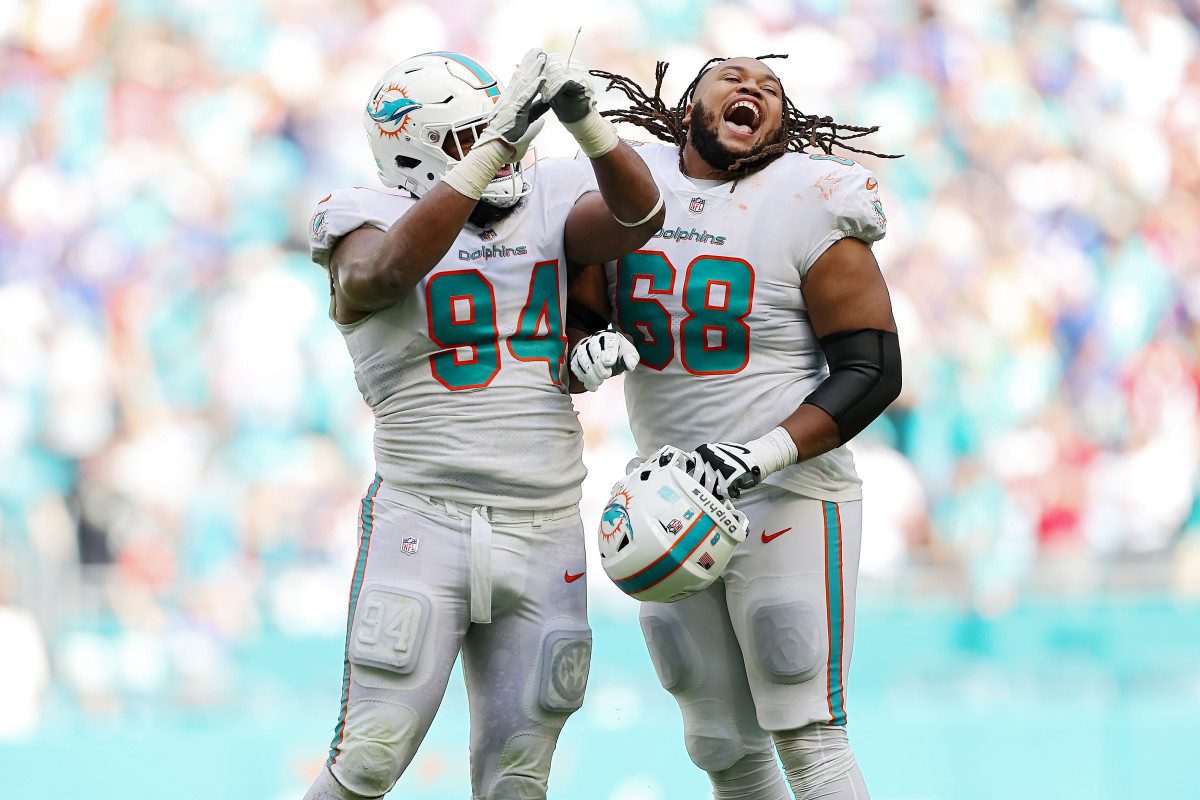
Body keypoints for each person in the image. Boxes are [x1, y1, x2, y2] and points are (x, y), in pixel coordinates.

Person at [302, 49, 665, 800]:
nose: (505, 145)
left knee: (519, 776)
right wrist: (495, 147)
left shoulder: (548, 194)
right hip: (424, 517)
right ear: (414, 150)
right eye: (471, 134)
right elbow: (388, 273)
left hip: (545, 523)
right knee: (370, 755)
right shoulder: (361, 219)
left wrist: (584, 123)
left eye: (500, 127)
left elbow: (641, 214)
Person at [566, 55, 902, 800]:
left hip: (790, 495)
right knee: (719, 741)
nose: (754, 86)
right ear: (690, 105)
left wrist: (760, 454)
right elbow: (574, 311)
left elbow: (875, 369)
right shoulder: (630, 186)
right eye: (733, 76)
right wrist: (582, 345)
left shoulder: (810, 201)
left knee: (806, 732)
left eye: (773, 86)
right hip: (669, 497)